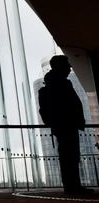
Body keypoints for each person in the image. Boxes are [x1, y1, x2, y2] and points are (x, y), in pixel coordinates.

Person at [38, 55, 93, 194]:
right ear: (60, 66)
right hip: (67, 124)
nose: (70, 67)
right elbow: (68, 104)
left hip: (63, 124)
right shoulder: (61, 83)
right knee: (70, 156)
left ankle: (72, 186)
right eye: (67, 65)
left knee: (68, 155)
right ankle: (73, 186)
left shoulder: (52, 83)